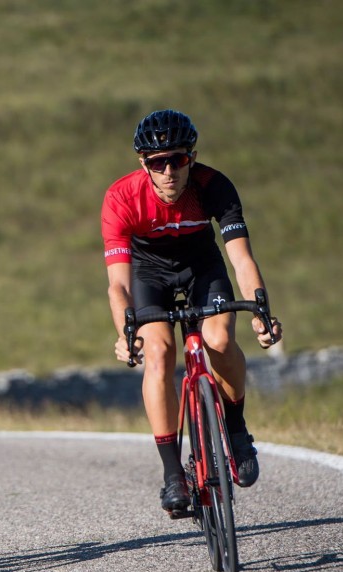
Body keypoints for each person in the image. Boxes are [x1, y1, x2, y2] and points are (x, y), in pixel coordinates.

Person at [101, 109, 283, 514]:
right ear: (143, 164)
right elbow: (119, 285)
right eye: (157, 163)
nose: (169, 171)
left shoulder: (213, 186)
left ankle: (236, 430)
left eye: (178, 159)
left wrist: (261, 310)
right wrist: (125, 334)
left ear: (192, 158)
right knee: (159, 353)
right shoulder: (121, 197)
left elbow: (241, 259)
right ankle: (172, 474)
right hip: (150, 274)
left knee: (219, 338)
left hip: (202, 266)